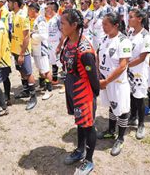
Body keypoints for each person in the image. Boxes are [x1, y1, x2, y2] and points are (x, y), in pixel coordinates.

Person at [60, 9, 99, 175]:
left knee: (88, 125)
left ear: (74, 25)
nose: (60, 26)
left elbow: (94, 78)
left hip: (83, 91)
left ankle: (89, 161)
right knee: (79, 122)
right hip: (71, 86)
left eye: (63, 23)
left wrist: (93, 96)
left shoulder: (84, 50)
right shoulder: (68, 41)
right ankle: (80, 149)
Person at [97, 12, 132, 156]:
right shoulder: (105, 38)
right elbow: (98, 56)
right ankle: (111, 131)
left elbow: (123, 66)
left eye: (106, 24)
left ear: (116, 25)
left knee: (122, 110)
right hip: (105, 81)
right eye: (102, 24)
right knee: (112, 105)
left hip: (117, 82)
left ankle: (121, 137)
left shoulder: (124, 41)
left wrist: (106, 80)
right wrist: (99, 75)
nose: (103, 27)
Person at [8, 0, 37, 110]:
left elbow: (26, 37)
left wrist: (21, 54)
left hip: (22, 51)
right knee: (21, 71)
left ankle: (33, 96)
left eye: (9, 2)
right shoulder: (14, 14)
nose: (7, 4)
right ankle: (25, 91)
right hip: (15, 49)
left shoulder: (23, 16)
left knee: (28, 73)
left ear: (15, 3)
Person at [127, 8, 150, 139]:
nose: (128, 19)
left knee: (139, 97)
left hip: (139, 72)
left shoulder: (146, 36)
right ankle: (132, 117)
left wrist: (125, 65)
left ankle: (141, 124)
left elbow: (142, 57)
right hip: (129, 70)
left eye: (131, 17)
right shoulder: (130, 32)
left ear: (139, 19)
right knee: (131, 95)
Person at [28, 3, 53, 100]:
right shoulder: (35, 20)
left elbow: (43, 36)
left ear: (33, 10)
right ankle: (43, 85)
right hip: (36, 48)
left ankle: (49, 90)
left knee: (46, 70)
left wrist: (31, 36)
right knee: (40, 69)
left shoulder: (41, 20)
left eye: (29, 10)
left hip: (41, 48)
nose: (28, 12)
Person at [46, 1, 63, 83]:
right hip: (51, 45)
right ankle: (55, 79)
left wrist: (60, 45)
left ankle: (65, 83)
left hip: (57, 44)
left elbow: (63, 32)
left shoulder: (58, 18)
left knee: (61, 63)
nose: (46, 10)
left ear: (52, 9)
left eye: (47, 8)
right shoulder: (50, 20)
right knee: (53, 62)